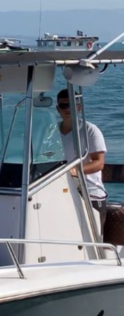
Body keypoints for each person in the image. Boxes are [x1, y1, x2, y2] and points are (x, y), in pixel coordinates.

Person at [57, 88, 107, 233]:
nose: (67, 109)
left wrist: (75, 171)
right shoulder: (52, 132)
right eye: (63, 106)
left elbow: (99, 163)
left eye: (71, 105)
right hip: (63, 193)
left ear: (79, 107)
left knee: (93, 240)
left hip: (90, 195)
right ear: (58, 109)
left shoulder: (91, 130)